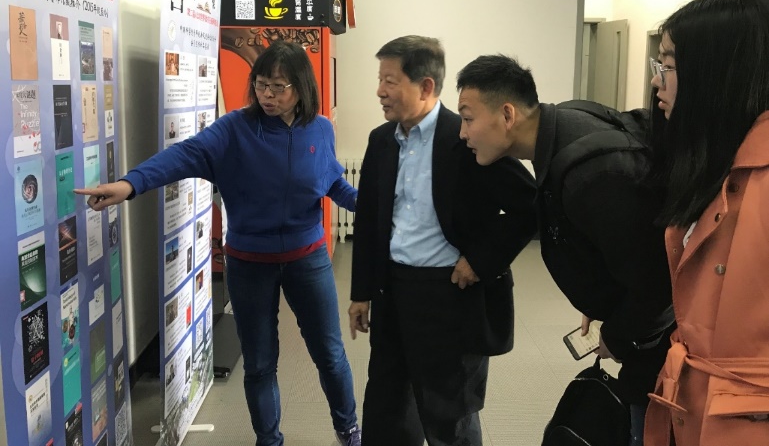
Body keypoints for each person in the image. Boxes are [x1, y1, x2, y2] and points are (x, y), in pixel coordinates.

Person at [75, 40, 362, 446]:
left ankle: (348, 429)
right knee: (260, 363)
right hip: (249, 263)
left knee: (330, 354)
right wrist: (130, 184)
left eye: (278, 86)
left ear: (301, 88)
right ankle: (268, 440)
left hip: (308, 259)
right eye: (261, 84)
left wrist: (372, 206)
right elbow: (181, 156)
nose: (267, 95)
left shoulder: (320, 129)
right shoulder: (234, 129)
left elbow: (330, 180)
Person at [455, 55, 675, 446]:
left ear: (507, 114)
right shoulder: (565, 126)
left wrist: (618, 335)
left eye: (468, 118)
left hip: (661, 356)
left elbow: (660, 286)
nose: (462, 133)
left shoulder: (592, 174)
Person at [348, 35, 537, 446]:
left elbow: (530, 205)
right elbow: (369, 221)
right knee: (386, 408)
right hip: (393, 292)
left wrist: (481, 260)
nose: (380, 91)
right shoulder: (381, 141)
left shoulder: (467, 137)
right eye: (380, 80)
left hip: (449, 295)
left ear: (426, 86)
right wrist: (361, 293)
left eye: (390, 81)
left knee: (449, 416)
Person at [643, 0, 769, 446]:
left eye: (668, 66)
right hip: (695, 407)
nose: (656, 82)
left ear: (717, 73)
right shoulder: (713, 162)